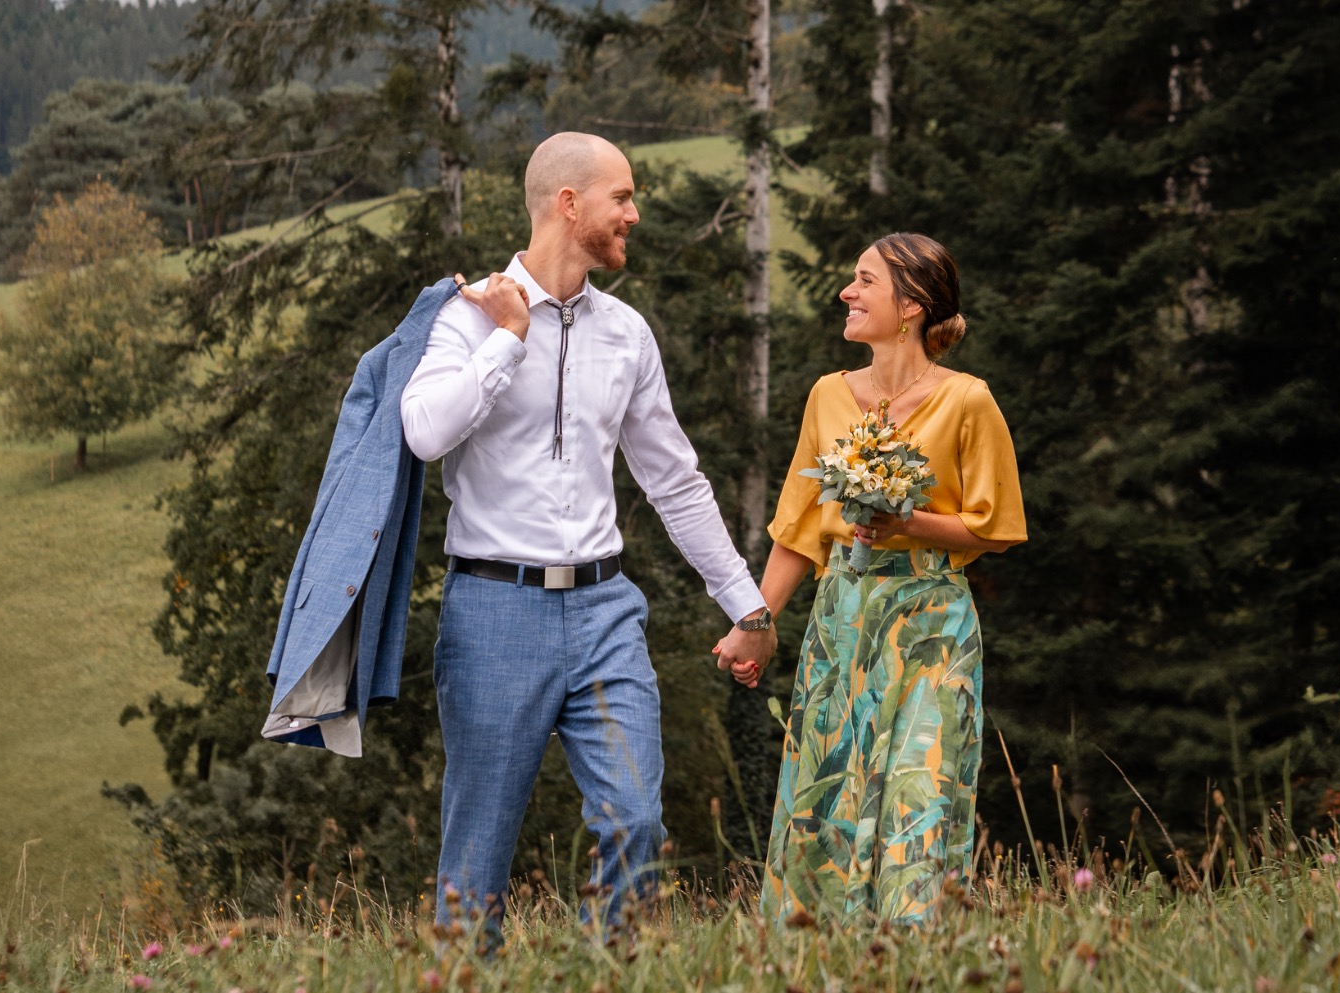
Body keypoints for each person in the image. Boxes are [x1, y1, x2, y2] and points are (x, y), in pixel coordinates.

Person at [401, 132, 777, 942]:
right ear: (569, 204)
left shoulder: (628, 334)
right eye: (622, 197)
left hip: (607, 610)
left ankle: (605, 970)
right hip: (494, 611)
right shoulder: (466, 317)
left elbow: (674, 480)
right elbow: (424, 432)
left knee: (637, 820)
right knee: (479, 855)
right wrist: (507, 336)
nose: (634, 214)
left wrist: (747, 606)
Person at [714, 232, 1027, 923]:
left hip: (931, 626)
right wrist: (756, 622)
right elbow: (797, 528)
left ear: (911, 304)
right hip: (843, 619)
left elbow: (996, 525)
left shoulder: (968, 401)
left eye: (863, 281)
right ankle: (817, 949)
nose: (845, 293)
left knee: (922, 788)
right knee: (829, 796)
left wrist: (907, 523)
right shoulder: (828, 396)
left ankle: (914, 950)